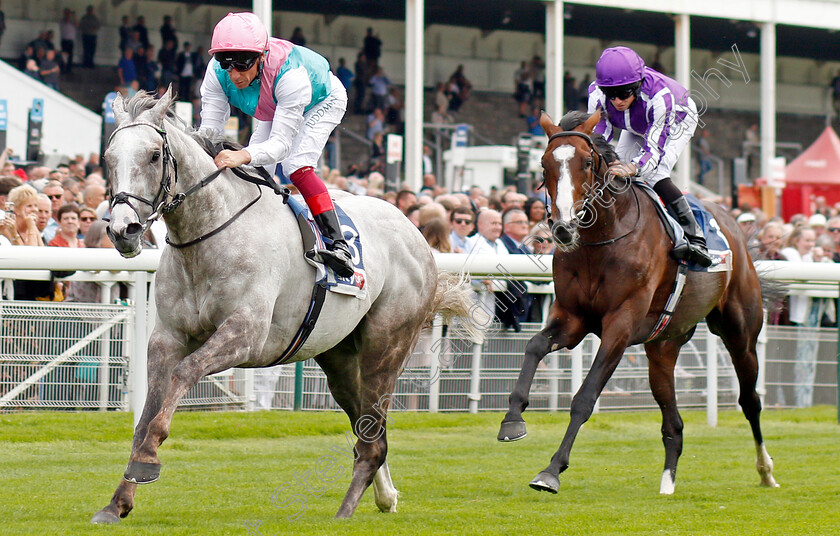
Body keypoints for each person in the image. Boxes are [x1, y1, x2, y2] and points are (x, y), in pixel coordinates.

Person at [199, 12, 354, 277]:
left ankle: (338, 244)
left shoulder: (290, 76)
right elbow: (209, 131)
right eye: (226, 64)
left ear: (261, 57)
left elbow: (280, 145)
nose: (234, 75)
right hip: (274, 104)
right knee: (256, 173)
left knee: (295, 165)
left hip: (321, 100)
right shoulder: (216, 73)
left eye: (242, 64)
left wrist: (242, 155)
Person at [588, 46, 712, 267]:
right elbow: (599, 135)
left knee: (655, 173)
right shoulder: (596, 93)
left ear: (636, 85)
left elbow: (654, 149)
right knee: (610, 171)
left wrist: (634, 168)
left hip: (676, 121)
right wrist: (608, 161)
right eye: (611, 94)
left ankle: (696, 238)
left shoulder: (660, 96)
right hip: (636, 123)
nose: (617, 101)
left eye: (625, 93)